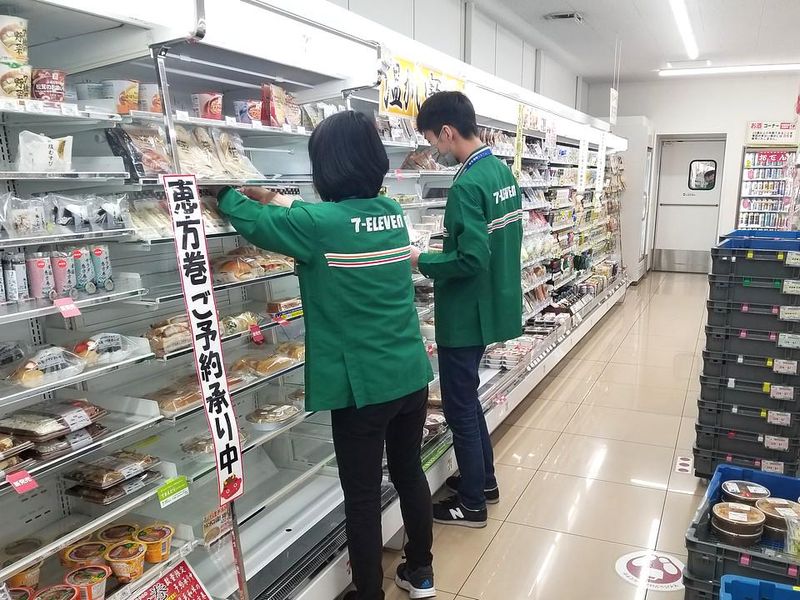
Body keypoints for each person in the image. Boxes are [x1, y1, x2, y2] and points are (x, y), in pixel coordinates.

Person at [216, 111, 435, 600]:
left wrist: (221, 190)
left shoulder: (316, 224)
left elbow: (255, 222)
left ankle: (369, 593)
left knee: (362, 496)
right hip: (409, 373)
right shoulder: (390, 212)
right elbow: (322, 218)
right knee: (408, 471)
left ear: (327, 167)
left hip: (363, 386)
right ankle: (421, 572)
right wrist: (273, 195)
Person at [411, 91, 523, 528]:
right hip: (491, 303)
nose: (434, 151)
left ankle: (472, 503)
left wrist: (422, 260)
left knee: (459, 406)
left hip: (464, 313)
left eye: (432, 141)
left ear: (447, 132)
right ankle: (485, 482)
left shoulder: (466, 185)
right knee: (469, 400)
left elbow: (471, 259)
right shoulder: (501, 172)